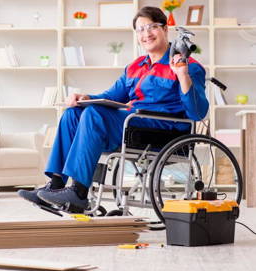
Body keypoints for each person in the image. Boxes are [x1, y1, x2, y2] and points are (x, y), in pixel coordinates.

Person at [18, 6, 209, 211]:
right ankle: (55, 186)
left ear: (165, 29)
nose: (146, 34)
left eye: (151, 27)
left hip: (162, 130)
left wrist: (182, 75)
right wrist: (85, 98)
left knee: (94, 115)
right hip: (132, 125)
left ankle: (79, 192)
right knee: (72, 114)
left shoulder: (189, 67)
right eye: (140, 30)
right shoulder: (135, 67)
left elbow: (197, 113)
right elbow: (111, 96)